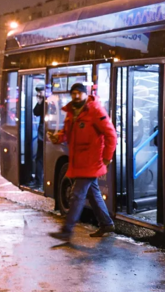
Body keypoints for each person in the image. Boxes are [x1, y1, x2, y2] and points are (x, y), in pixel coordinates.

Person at [47, 83, 117, 241]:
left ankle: (67, 230)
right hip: (79, 161)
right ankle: (106, 224)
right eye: (74, 93)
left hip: (91, 162)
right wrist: (57, 137)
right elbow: (67, 133)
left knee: (77, 195)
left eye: (79, 93)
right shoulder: (72, 111)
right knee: (93, 193)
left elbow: (111, 134)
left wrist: (107, 157)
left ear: (86, 94)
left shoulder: (95, 110)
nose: (76, 96)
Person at [32, 84, 46, 187]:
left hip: (48, 133)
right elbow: (36, 112)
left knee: (41, 158)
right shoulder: (42, 102)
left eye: (41, 92)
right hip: (42, 134)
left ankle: (39, 181)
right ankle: (38, 181)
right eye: (38, 92)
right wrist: (40, 102)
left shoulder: (52, 101)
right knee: (39, 158)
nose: (39, 94)